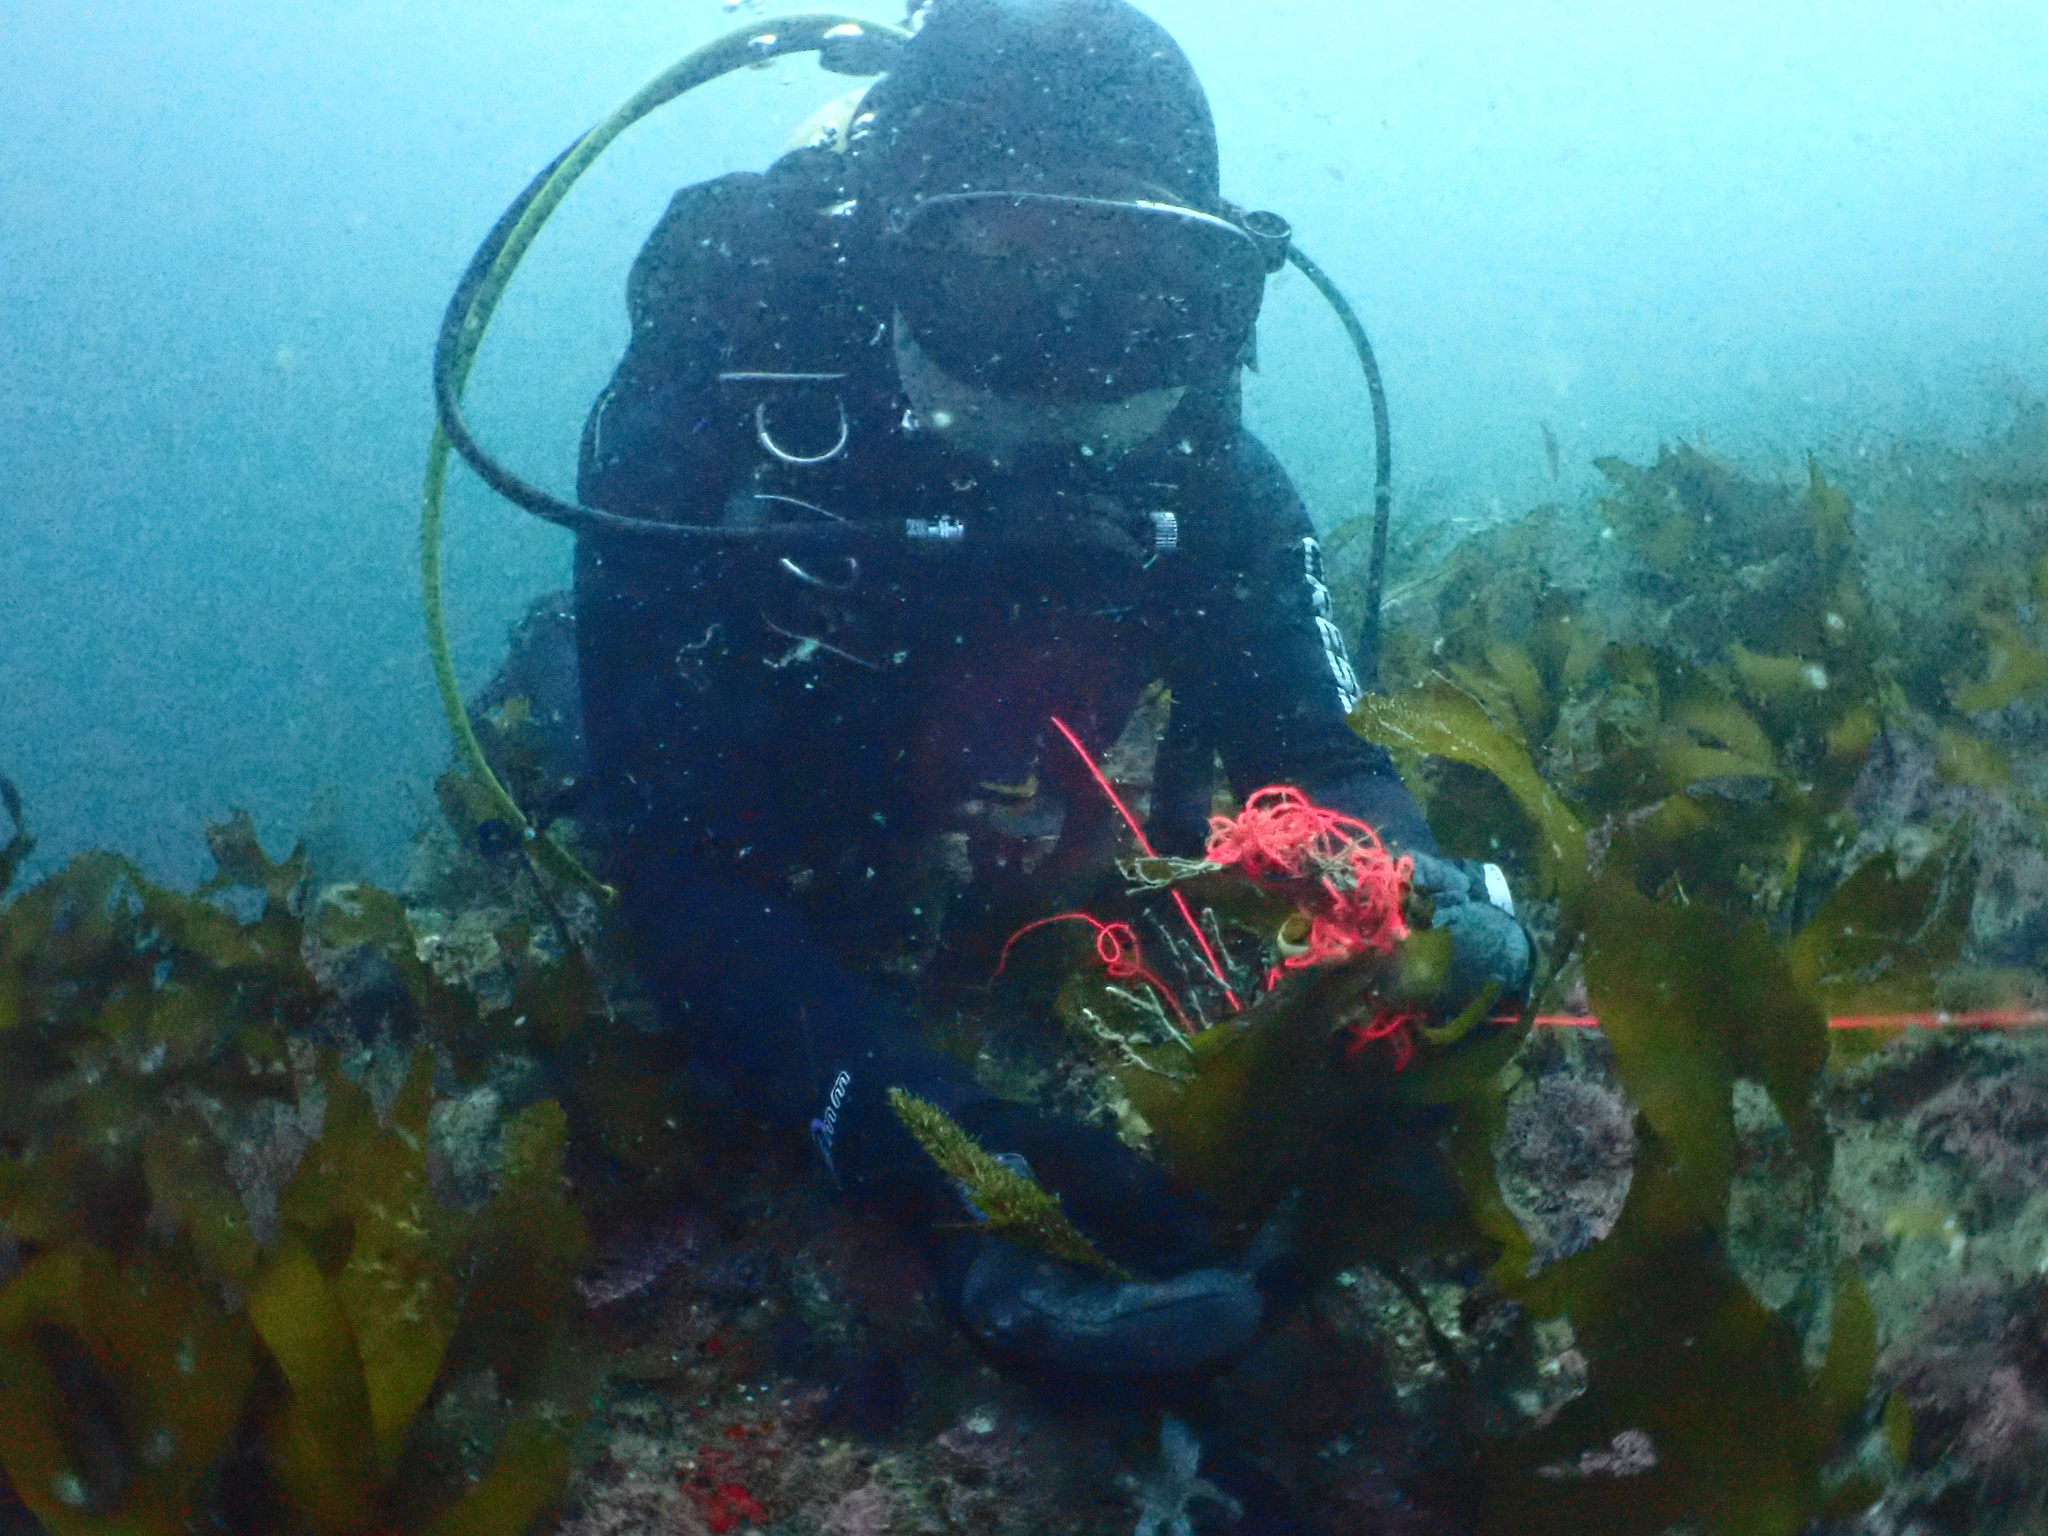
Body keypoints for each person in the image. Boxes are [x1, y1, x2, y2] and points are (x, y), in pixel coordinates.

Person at [564, 0, 1531, 1379]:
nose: (1073, 359)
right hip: (784, 767)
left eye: (1137, 295)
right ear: (893, 257)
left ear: (1213, 297)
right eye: (1005, 282)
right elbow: (674, 868)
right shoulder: (716, 424)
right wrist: (938, 1147)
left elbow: (1312, 743)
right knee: (570, 718)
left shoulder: (1206, 480)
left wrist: (1429, 895)